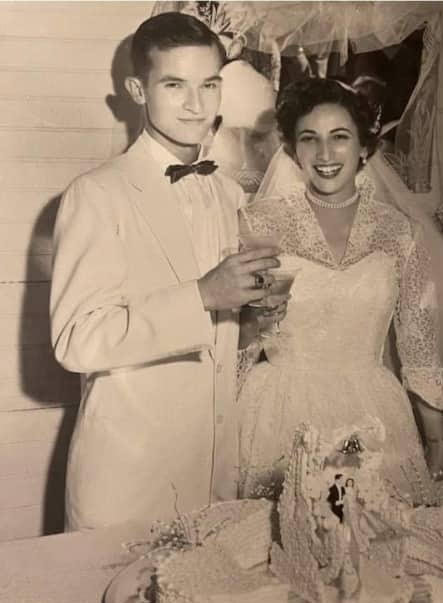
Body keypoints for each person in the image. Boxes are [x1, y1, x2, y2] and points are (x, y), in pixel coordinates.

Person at [50, 12, 280, 530]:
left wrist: (247, 324)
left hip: (212, 475)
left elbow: (210, 341)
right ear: (137, 88)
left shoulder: (226, 192)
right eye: (175, 85)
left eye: (209, 85)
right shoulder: (96, 193)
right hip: (129, 480)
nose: (196, 105)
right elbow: (76, 340)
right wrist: (201, 295)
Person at [237, 78, 443, 502]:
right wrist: (254, 325)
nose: (324, 154)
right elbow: (236, 347)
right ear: (290, 150)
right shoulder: (257, 224)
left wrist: (437, 445)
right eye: (309, 139)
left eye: (339, 138)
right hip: (277, 413)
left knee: (373, 545)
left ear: (364, 148)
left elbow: (419, 349)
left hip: (372, 415)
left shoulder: (399, 233)